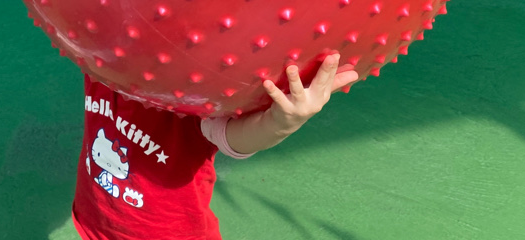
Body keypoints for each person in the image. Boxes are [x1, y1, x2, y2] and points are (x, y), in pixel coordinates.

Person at [74, 53, 359, 239]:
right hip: (96, 224)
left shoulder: (189, 95)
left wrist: (281, 122)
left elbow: (234, 138)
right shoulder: (100, 60)